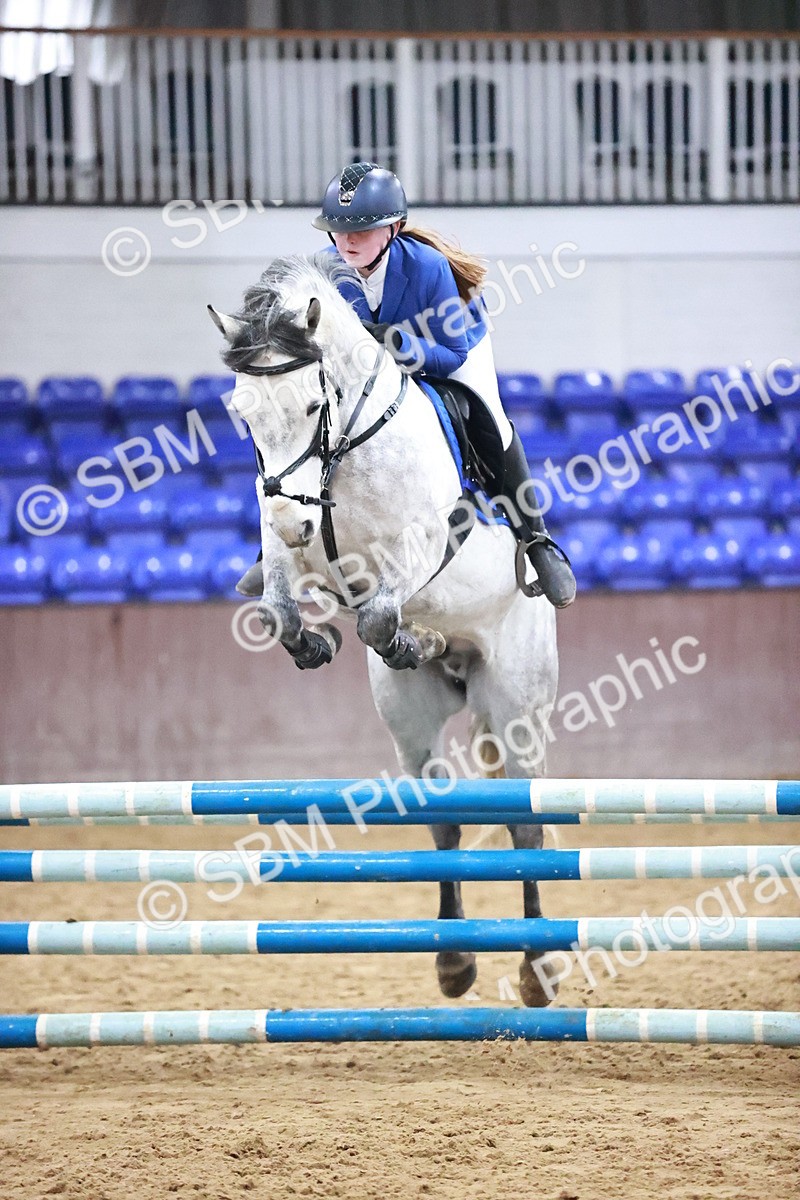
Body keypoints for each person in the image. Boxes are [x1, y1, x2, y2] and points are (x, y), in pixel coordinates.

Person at [239, 162, 576, 609]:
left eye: (361, 229)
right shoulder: (325, 272)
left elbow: (450, 355)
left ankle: (536, 539)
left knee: (489, 416)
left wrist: (397, 344)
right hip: (372, 366)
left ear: (394, 228)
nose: (347, 240)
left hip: (446, 348)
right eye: (337, 229)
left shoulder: (428, 269)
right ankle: (272, 551)